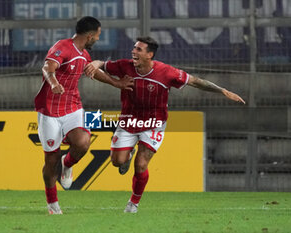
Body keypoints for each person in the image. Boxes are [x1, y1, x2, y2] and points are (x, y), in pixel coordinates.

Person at [87, 36, 245, 213]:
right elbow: (104, 65)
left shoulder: (166, 72)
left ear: (150, 54)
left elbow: (195, 81)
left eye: (139, 49)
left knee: (141, 165)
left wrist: (223, 90)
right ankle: (127, 154)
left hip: (153, 123)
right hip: (128, 121)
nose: (134, 51)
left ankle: (133, 203)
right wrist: (96, 63)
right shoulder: (125, 66)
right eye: (134, 48)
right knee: (117, 162)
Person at [34, 16, 133, 215]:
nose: (98, 38)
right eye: (98, 34)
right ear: (89, 35)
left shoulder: (84, 54)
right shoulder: (62, 46)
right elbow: (47, 67)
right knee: (50, 160)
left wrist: (117, 83)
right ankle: (52, 202)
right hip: (50, 109)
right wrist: (53, 83)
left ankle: (67, 164)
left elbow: (93, 72)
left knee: (82, 142)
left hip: (73, 106)